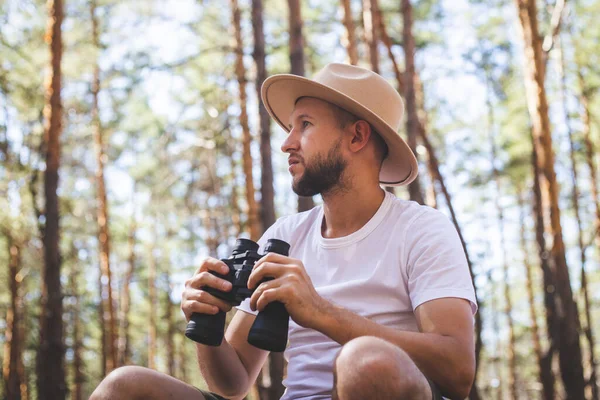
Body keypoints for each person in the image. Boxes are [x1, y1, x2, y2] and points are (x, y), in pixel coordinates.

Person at [90, 63, 477, 400]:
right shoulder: (286, 234)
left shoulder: (421, 229)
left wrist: (321, 313)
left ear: (357, 137)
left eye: (305, 125)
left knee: (367, 363)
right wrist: (207, 324)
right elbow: (234, 383)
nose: (287, 143)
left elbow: (458, 373)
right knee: (123, 387)